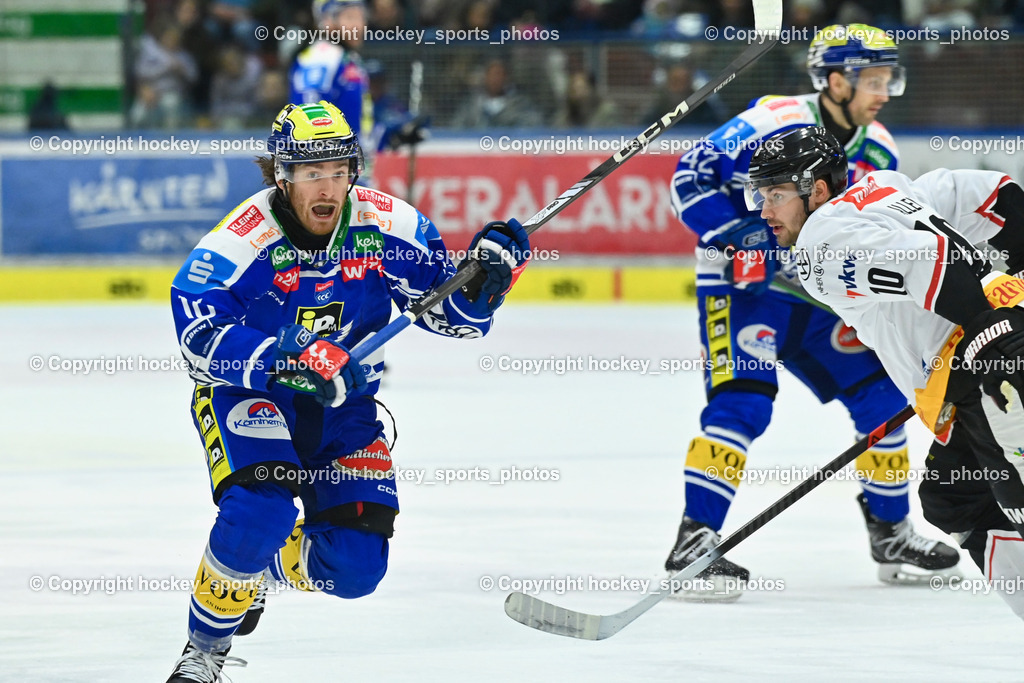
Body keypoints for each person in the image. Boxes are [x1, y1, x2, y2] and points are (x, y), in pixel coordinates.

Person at [165, 100, 529, 681]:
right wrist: (286, 358)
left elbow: (450, 315)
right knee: (260, 510)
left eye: (338, 170)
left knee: (359, 567)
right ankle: (204, 653)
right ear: (281, 177)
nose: (327, 186)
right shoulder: (242, 240)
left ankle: (266, 566)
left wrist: (484, 284)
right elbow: (197, 336)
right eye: (311, 173)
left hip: (344, 408)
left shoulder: (390, 226)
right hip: (254, 397)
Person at [666, 24, 959, 601]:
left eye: (889, 79)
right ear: (833, 80)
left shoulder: (877, 146)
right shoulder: (772, 118)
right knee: (743, 403)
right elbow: (689, 179)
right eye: (873, 79)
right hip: (743, 291)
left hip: (815, 294)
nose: (883, 91)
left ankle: (892, 532)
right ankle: (694, 539)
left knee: (884, 396)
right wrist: (741, 237)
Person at [745, 124, 1024, 621]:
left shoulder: (818, 251)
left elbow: (929, 264)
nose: (765, 211)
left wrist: (994, 330)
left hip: (984, 374)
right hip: (984, 359)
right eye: (761, 196)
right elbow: (1002, 199)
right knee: (950, 497)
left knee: (1002, 501)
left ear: (818, 189)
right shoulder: (891, 186)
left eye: (777, 194)